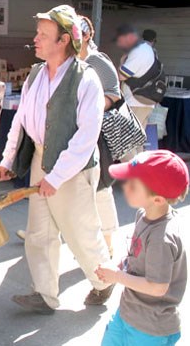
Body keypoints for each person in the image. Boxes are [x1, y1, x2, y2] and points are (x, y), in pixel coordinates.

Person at [0, 5, 113, 314]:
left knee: (80, 231)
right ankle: (45, 294)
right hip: (40, 158)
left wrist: (56, 177)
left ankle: (104, 281)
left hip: (73, 166)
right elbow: (21, 120)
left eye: (43, 35)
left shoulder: (87, 79)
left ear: (63, 40)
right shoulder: (36, 73)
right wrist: (8, 160)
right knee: (39, 232)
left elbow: (86, 138)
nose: (35, 39)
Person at [97, 150, 188, 346]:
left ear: (158, 199)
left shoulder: (161, 239)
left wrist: (117, 276)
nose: (126, 187)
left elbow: (157, 287)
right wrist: (123, 264)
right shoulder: (143, 214)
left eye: (133, 185)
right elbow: (138, 256)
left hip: (150, 328)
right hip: (128, 313)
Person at [79, 16, 121, 257]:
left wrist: (90, 111)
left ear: (86, 36)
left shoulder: (96, 59)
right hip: (82, 131)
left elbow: (114, 94)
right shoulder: (75, 60)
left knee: (101, 186)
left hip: (99, 133)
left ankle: (108, 241)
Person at [115, 24, 155, 130]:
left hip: (135, 101)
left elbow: (122, 76)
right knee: (138, 140)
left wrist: (122, 60)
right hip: (145, 100)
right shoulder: (150, 50)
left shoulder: (139, 50)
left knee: (129, 140)